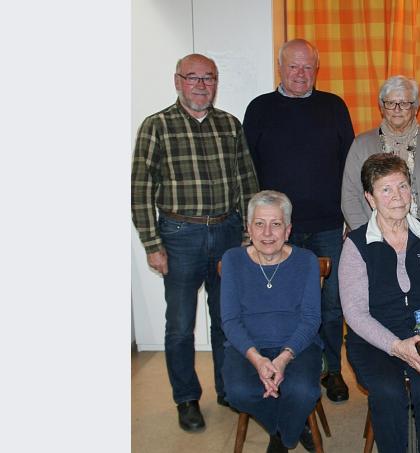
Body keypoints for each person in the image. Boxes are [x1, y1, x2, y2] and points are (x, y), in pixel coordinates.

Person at [131, 53, 260, 432]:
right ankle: (186, 398)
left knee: (227, 319)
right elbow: (140, 190)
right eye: (193, 78)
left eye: (209, 78)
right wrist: (152, 243)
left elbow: (247, 183)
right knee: (180, 324)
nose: (201, 85)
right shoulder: (156, 126)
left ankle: (227, 389)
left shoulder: (230, 125)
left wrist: (248, 234)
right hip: (179, 236)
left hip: (227, 232)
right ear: (177, 82)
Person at [243, 38, 355, 403]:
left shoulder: (334, 106)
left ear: (316, 70)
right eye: (294, 66)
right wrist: (256, 228)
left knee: (332, 304)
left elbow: (349, 168)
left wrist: (350, 219)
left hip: (326, 225)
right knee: (285, 302)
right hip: (277, 232)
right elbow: (249, 172)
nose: (301, 74)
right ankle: (287, 366)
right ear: (280, 67)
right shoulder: (259, 109)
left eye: (308, 67)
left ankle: (333, 371)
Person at [340, 154, 420, 453]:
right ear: (370, 197)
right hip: (373, 341)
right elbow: (355, 313)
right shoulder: (355, 245)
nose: (397, 197)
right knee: (388, 392)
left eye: (403, 186)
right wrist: (396, 346)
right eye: (386, 189)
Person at [220, 190, 322, 453]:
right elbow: (230, 321)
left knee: (303, 391)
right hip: (248, 347)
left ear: (288, 230)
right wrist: (258, 359)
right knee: (238, 392)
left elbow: (311, 319)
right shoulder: (232, 260)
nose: (267, 233)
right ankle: (291, 428)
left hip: (297, 346)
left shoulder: (306, 261)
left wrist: (283, 358)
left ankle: (280, 437)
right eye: (259, 224)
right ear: (248, 229)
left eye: (276, 224)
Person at [342, 75, 420, 235]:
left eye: (404, 103)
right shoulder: (361, 144)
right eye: (390, 103)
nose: (397, 109)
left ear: (416, 107)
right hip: (376, 241)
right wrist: (368, 237)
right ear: (381, 107)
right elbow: (350, 196)